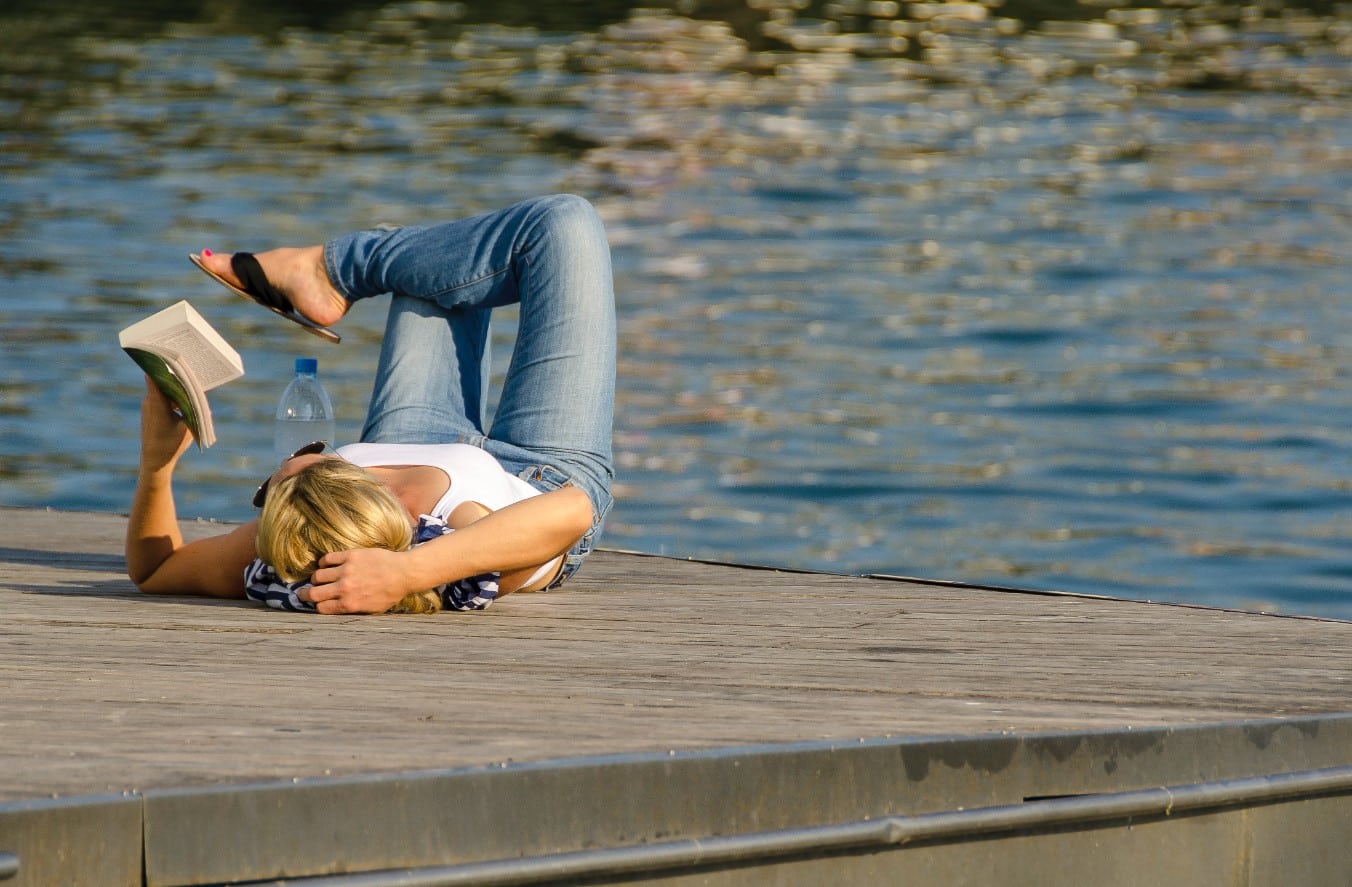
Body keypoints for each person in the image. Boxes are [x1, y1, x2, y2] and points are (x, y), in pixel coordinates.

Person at [125, 194, 615, 615]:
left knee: (435, 265)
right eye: (281, 478)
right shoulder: (454, 544)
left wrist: (157, 465)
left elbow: (156, 570)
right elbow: (571, 512)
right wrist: (407, 572)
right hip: (542, 472)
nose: (277, 475)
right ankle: (335, 269)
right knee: (564, 224)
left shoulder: (290, 540)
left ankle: (327, 275)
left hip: (409, 436)